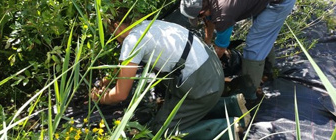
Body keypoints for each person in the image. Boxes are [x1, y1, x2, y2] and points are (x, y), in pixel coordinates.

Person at [91, 12, 248, 138]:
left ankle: (226, 130)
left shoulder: (132, 40)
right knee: (181, 105)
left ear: (117, 26)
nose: (113, 37)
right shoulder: (151, 25)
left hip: (203, 86)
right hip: (213, 72)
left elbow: (120, 94)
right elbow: (123, 67)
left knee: (162, 131)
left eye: (111, 32)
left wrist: (100, 98)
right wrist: (108, 80)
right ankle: (233, 104)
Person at [181, 0, 297, 100]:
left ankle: (249, 93)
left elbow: (221, 47)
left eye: (198, 18)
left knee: (254, 44)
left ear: (201, 11)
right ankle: (267, 71)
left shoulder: (223, 12)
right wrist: (207, 42)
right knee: (262, 36)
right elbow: (209, 19)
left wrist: (207, 65)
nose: (200, 20)